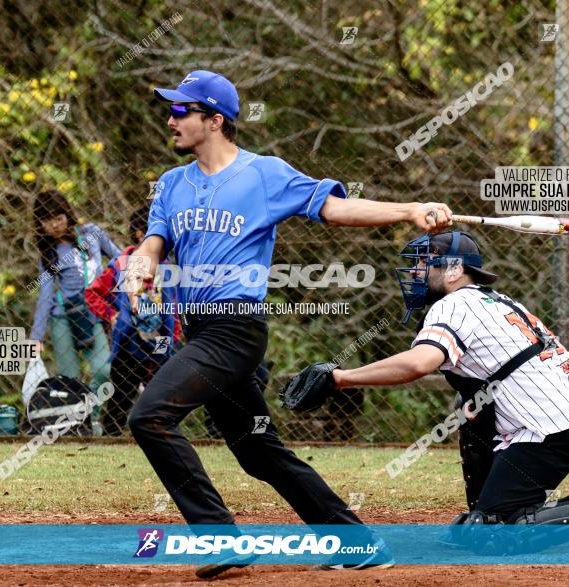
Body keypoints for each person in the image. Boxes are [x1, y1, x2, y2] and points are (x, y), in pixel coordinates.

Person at [121, 69, 453, 578]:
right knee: (258, 450)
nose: (170, 119)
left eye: (181, 111)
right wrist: (142, 264)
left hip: (235, 329)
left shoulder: (264, 174)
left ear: (215, 120)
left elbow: (336, 208)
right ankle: (355, 541)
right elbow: (154, 241)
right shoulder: (170, 183)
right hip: (199, 331)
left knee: (149, 417)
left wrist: (409, 209)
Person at [326, 231, 569, 551]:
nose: (414, 271)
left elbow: (418, 364)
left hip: (554, 425)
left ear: (454, 270)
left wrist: (340, 378)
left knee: (497, 537)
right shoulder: (489, 298)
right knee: (469, 405)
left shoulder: (453, 305)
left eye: (425, 263)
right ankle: (483, 515)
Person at [30, 190, 121, 435]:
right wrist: (36, 337)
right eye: (47, 221)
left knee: (104, 369)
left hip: (94, 313)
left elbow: (118, 257)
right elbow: (45, 295)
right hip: (63, 319)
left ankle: (94, 416)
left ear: (67, 214)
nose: (55, 225)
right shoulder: (48, 255)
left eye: (58, 217)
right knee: (69, 380)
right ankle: (78, 426)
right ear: (40, 225)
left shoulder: (91, 234)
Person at [85, 206, 179, 436]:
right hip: (129, 342)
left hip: (160, 341)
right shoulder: (119, 266)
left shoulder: (167, 268)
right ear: (140, 234)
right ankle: (111, 437)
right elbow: (92, 294)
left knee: (162, 395)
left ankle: (161, 438)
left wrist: (175, 335)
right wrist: (112, 315)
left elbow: (175, 306)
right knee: (121, 394)